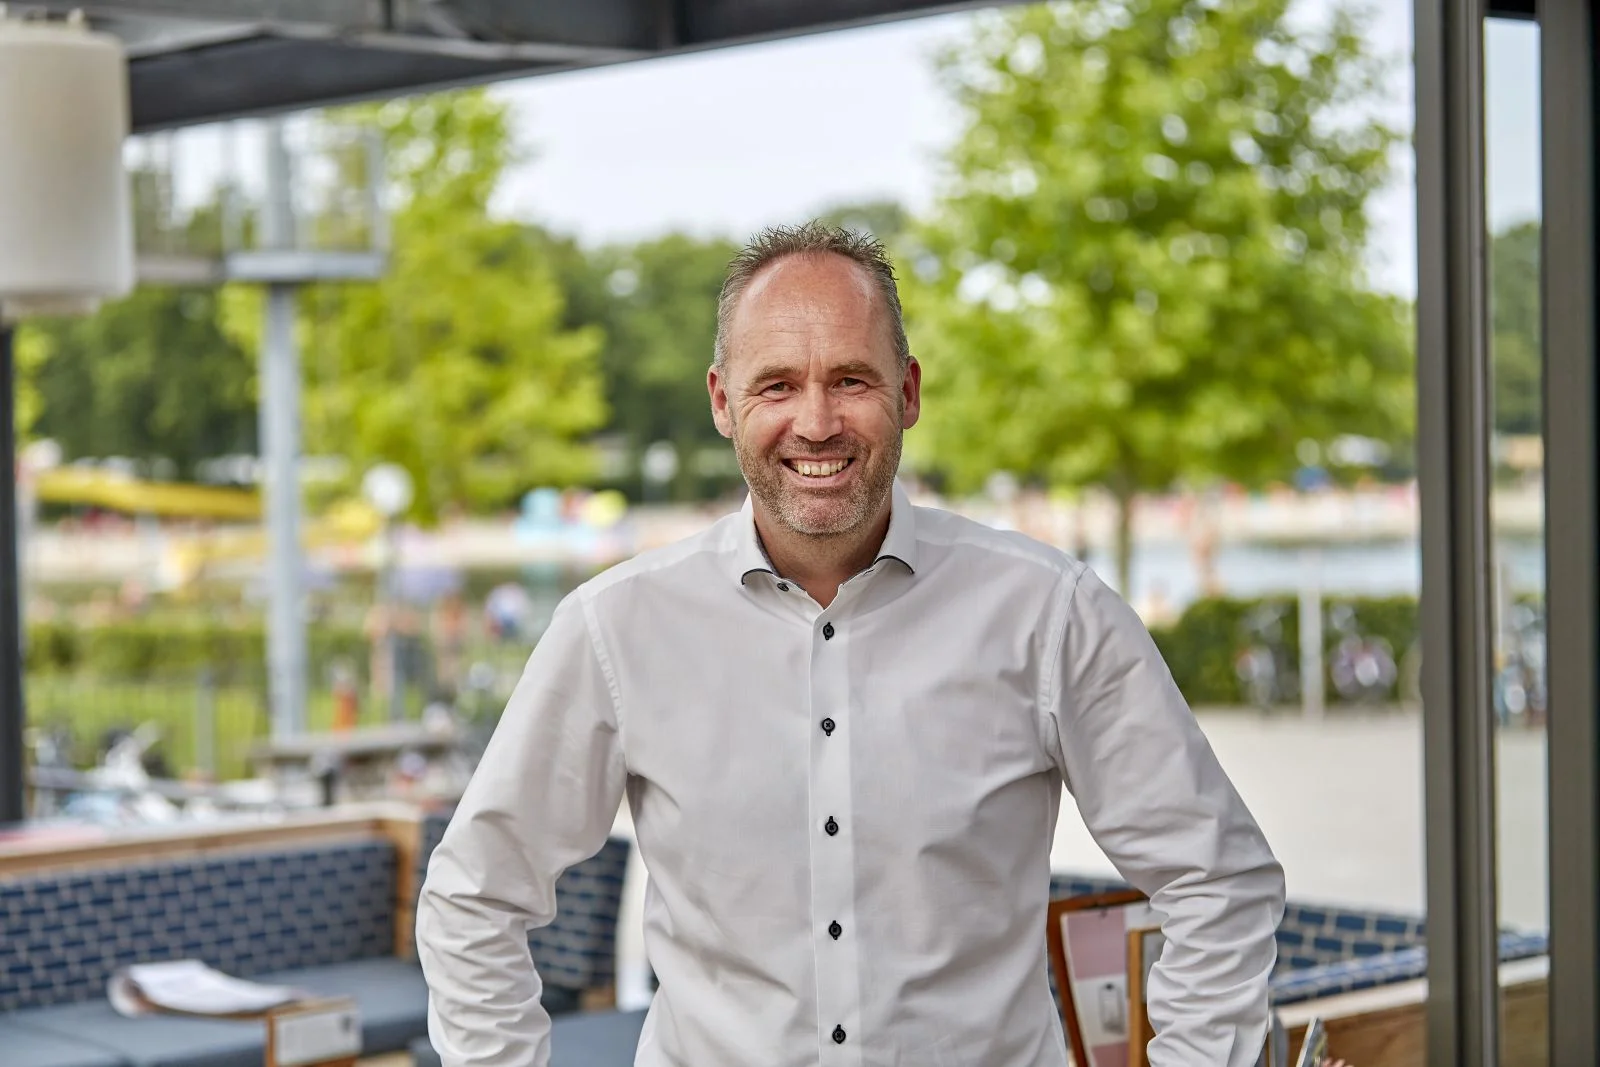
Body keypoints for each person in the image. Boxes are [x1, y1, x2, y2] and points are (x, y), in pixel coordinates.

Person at [416, 222, 1285, 1066]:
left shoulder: (1051, 614)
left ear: (908, 391)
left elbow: (1218, 880)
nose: (818, 421)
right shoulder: (616, 629)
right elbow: (474, 899)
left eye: (851, 379)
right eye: (777, 385)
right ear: (723, 401)